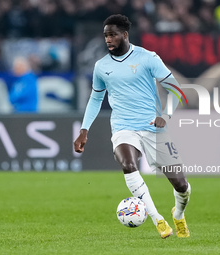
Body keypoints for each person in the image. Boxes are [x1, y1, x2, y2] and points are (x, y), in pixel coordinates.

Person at [73, 14, 191, 239]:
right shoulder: (101, 67)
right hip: (123, 126)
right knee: (127, 163)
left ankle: (178, 213)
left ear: (125, 35)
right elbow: (96, 99)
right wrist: (84, 129)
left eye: (113, 35)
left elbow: (176, 89)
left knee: (180, 184)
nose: (108, 39)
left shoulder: (147, 58)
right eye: (106, 35)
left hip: (153, 127)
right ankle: (158, 220)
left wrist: (165, 115)